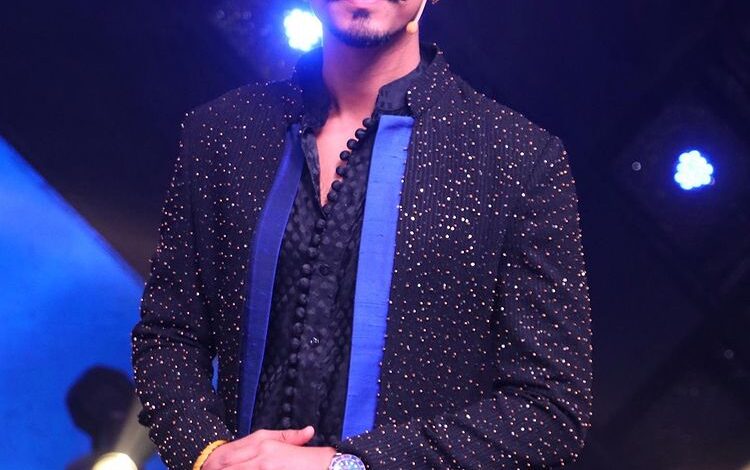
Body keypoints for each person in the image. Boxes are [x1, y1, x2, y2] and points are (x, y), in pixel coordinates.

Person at [131, 0, 594, 468]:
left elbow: (549, 411)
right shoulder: (224, 131)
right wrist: (210, 455)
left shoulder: (517, 162)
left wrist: (345, 465)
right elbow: (168, 335)